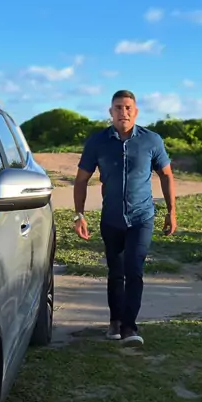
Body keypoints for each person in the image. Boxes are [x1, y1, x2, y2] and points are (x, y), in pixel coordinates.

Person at [73, 90, 177, 345]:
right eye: (118, 108)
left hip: (142, 217)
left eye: (128, 107)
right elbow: (81, 180)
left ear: (136, 111)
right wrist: (79, 215)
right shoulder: (97, 142)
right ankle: (115, 322)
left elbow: (166, 175)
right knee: (116, 272)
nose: (124, 112)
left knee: (134, 269)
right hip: (111, 218)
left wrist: (171, 211)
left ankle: (130, 327)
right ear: (111, 112)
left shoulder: (151, 140)